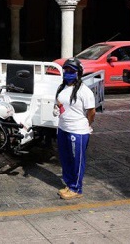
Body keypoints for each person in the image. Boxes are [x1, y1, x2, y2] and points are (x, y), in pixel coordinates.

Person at [54, 58, 96, 200]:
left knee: (76, 160)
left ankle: (76, 188)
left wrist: (87, 124)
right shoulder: (62, 88)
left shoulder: (85, 91)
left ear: (78, 73)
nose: (68, 73)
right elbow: (59, 103)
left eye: (71, 71)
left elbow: (91, 111)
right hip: (63, 128)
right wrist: (56, 108)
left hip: (77, 130)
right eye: (66, 70)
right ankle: (69, 183)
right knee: (65, 158)